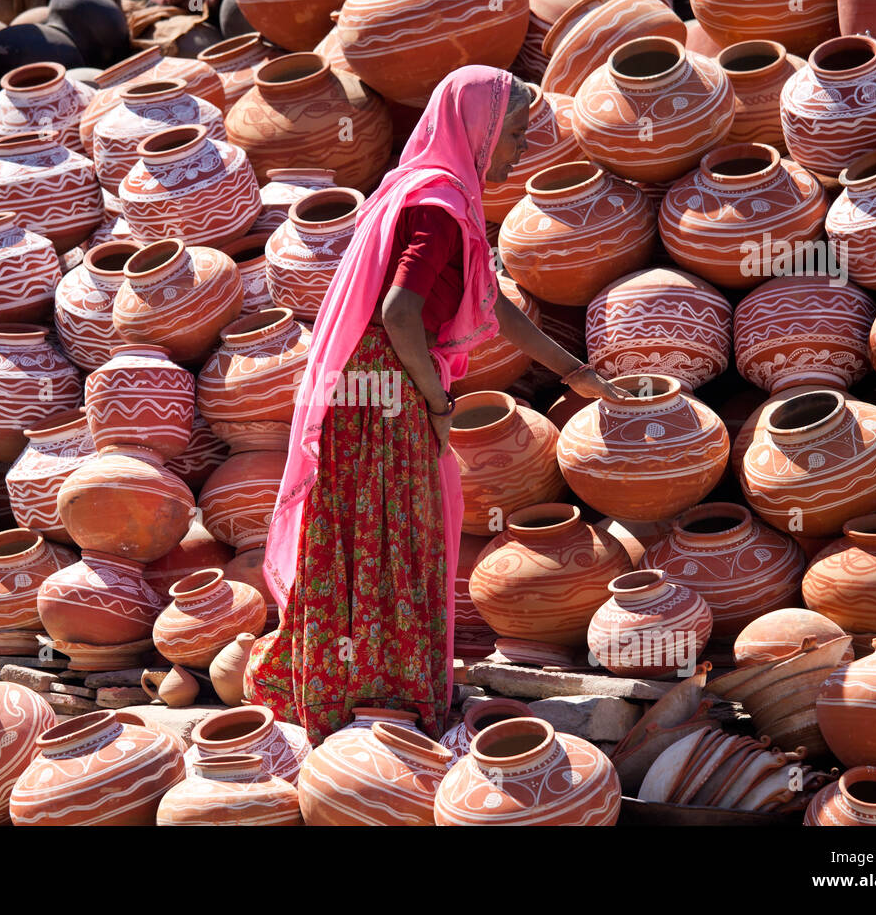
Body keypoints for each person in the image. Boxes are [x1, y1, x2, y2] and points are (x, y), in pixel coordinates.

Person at [243, 65, 627, 744]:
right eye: (511, 135)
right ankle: (387, 696)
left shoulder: (424, 191)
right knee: (402, 536)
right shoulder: (439, 206)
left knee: (365, 534)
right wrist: (435, 403)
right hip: (388, 391)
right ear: (474, 132)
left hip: (369, 387)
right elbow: (399, 313)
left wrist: (573, 372)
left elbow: (491, 304)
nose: (516, 151)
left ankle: (341, 687)